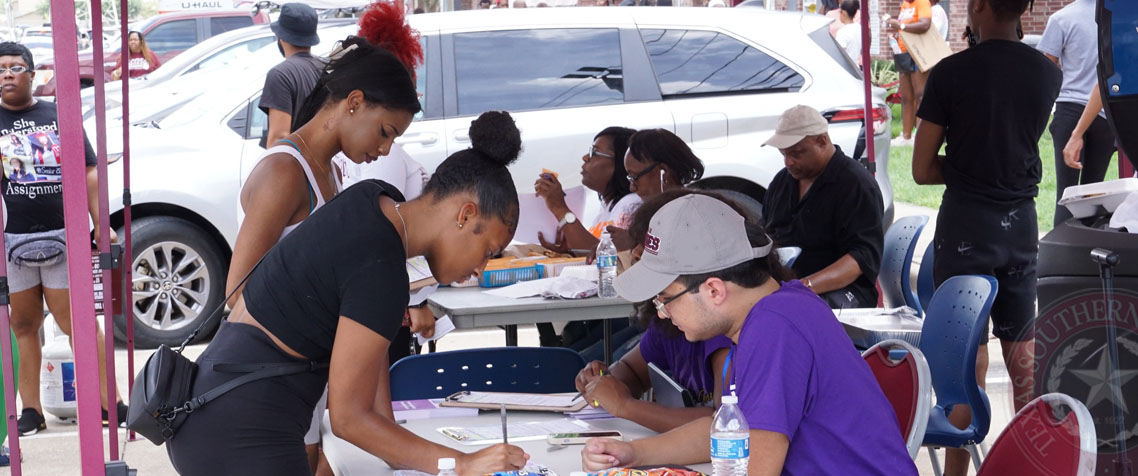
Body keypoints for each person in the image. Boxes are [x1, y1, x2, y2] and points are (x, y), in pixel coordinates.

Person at [168, 110, 530, 476]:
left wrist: (405, 453)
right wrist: (462, 463)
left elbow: (370, 392)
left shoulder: (371, 201)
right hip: (245, 433)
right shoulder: (382, 267)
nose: (480, 270)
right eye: (488, 251)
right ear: (465, 215)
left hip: (208, 410)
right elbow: (349, 419)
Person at [580, 194, 917, 475]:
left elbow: (757, 467)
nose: (662, 313)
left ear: (713, 290)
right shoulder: (777, 310)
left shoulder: (774, 329)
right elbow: (727, 432)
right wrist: (633, 454)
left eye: (665, 299)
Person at [231, 4, 425, 471]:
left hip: (301, 382)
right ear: (353, 102)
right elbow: (235, 294)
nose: (384, 149)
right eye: (385, 132)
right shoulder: (285, 170)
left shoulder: (330, 172)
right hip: (271, 384)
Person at [911, 0, 1060, 474]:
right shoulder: (1046, 73)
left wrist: (965, 170)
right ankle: (1028, 464)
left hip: (966, 228)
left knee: (965, 360)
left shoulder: (951, 73)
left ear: (976, 7)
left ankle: (956, 469)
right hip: (1020, 224)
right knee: (1023, 359)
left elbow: (920, 168)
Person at [0, 42, 127, 435]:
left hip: (62, 236)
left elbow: (89, 172)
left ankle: (111, 403)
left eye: (15, 67)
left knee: (80, 324)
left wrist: (99, 221)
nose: (7, 74)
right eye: (0, 68)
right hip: (10, 241)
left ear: (33, 74)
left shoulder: (59, 115)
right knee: (23, 326)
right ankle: (31, 411)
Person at [576, 189, 736, 433]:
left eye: (644, 251)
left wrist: (625, 406)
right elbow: (633, 372)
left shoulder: (720, 331)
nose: (661, 311)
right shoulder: (669, 316)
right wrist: (602, 383)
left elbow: (723, 424)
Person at [761, 105, 884, 309]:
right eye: (783, 154)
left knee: (798, 310)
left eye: (796, 153)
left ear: (822, 141)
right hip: (784, 284)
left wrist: (804, 286)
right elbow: (764, 234)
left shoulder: (856, 185)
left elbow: (861, 257)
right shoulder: (782, 181)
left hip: (845, 291)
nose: (788, 162)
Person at [1038, 0, 1118, 226]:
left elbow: (1046, 71)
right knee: (1093, 195)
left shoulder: (1061, 18)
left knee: (1067, 194)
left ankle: (1061, 255)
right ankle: (1089, 255)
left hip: (1069, 111)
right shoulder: (1113, 19)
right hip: (1103, 113)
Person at [535, 127, 639, 253]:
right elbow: (595, 249)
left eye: (594, 153)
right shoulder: (607, 208)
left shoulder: (630, 204)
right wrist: (570, 251)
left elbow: (607, 257)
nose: (585, 157)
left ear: (621, 162)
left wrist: (559, 208)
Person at [616, 129, 704, 250]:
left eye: (635, 177)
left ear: (664, 173)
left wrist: (632, 245)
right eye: (630, 178)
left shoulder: (691, 216)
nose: (632, 188)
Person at [260, 3, 325, 148]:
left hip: (295, 165)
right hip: (324, 164)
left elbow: (279, 137)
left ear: (281, 37)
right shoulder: (327, 68)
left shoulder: (280, 75)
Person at [886, 0, 932, 146]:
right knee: (906, 97)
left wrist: (901, 26)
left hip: (917, 52)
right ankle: (906, 137)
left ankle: (920, 136)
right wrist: (897, 34)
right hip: (903, 52)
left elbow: (925, 24)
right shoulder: (905, 5)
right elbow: (905, 27)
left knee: (920, 96)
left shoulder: (922, 2)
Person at [833, 0, 861, 65]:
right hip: (856, 67)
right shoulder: (859, 28)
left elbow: (838, 54)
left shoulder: (842, 32)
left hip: (845, 69)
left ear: (844, 13)